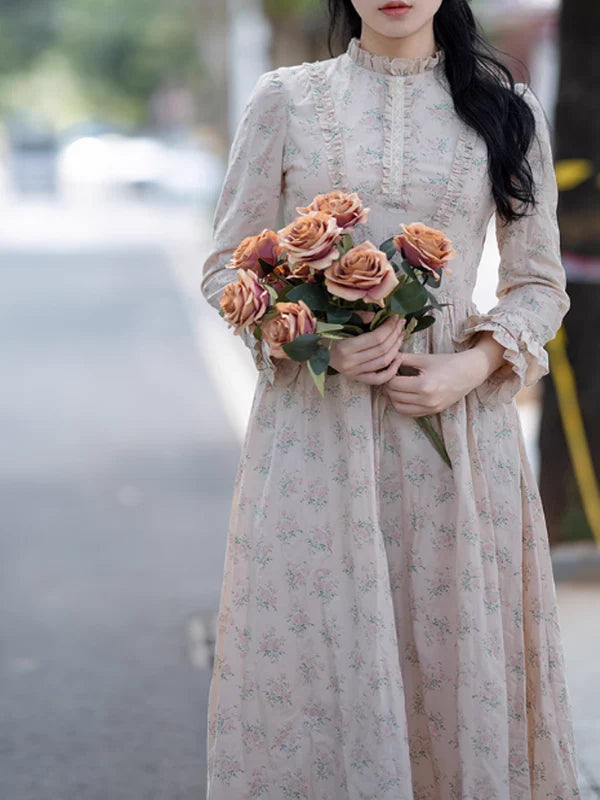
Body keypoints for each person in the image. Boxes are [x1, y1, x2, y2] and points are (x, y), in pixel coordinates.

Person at [200, 0, 581, 796]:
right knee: (318, 660)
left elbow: (539, 285)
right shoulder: (286, 98)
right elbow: (226, 268)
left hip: (457, 447)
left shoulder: (509, 112)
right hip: (316, 436)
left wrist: (470, 369)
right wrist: (315, 335)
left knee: (449, 663)